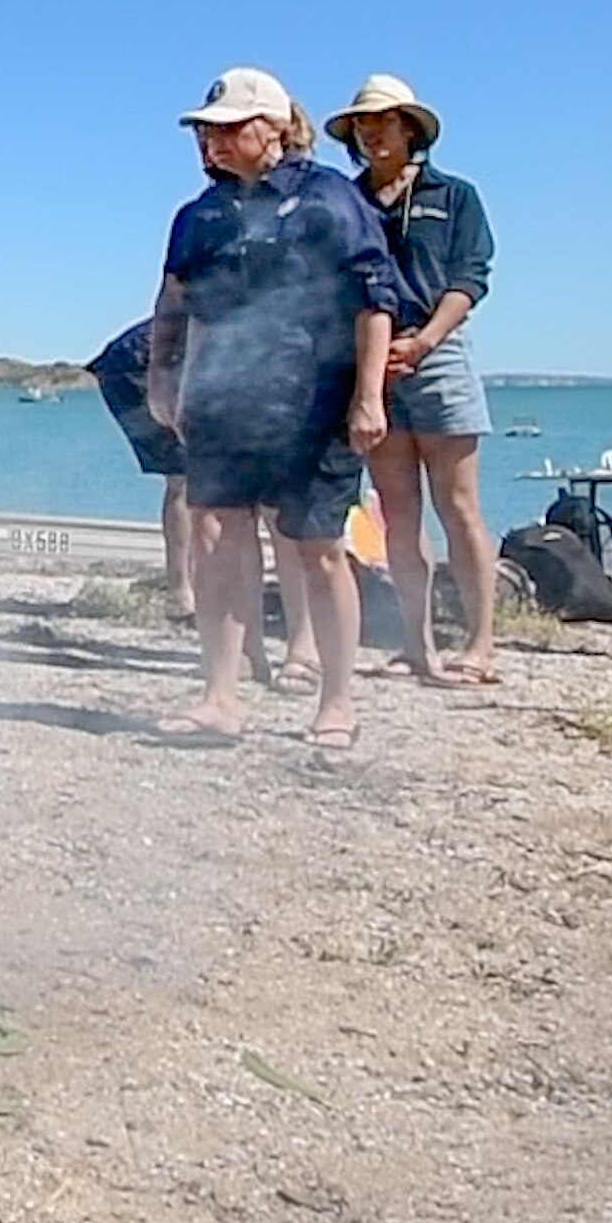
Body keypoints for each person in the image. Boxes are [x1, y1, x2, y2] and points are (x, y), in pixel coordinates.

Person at [144, 68, 407, 749]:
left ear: (275, 128)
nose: (213, 144)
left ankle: (338, 701)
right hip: (226, 399)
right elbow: (173, 302)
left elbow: (375, 299)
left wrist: (369, 397)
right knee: (223, 543)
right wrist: (162, 380)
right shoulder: (200, 216)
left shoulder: (328, 200)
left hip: (316, 400)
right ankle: (220, 696)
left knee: (318, 549)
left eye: (229, 130)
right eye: (206, 133)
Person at [330, 74, 502, 685]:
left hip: (441, 353)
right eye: (361, 124)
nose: (372, 132)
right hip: (370, 365)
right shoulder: (346, 203)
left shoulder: (454, 196)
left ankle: (480, 644)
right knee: (398, 514)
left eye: (383, 120)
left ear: (410, 127)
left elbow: (471, 277)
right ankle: (416, 642)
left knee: (459, 507)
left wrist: (426, 339)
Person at [85, 321, 193, 617]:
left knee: (203, 476)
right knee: (184, 476)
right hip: (134, 368)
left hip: (150, 363)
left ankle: (190, 580)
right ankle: (181, 591)